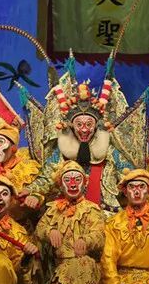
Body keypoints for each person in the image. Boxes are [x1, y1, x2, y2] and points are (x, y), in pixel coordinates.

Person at [22, 80, 133, 217]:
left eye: (89, 124)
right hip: (67, 210)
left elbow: (128, 175)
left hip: (103, 212)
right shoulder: (62, 151)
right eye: (79, 124)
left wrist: (141, 184)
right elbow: (47, 178)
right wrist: (31, 190)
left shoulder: (108, 151)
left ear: (96, 126)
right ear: (72, 126)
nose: (84, 129)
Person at [35, 160, 105, 284]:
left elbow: (100, 235)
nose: (73, 184)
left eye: (77, 179)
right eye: (67, 180)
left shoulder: (92, 209)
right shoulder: (53, 209)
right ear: (61, 185)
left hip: (84, 266)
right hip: (61, 270)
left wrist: (86, 240)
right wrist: (49, 231)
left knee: (80, 263)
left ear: (84, 183)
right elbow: (39, 229)